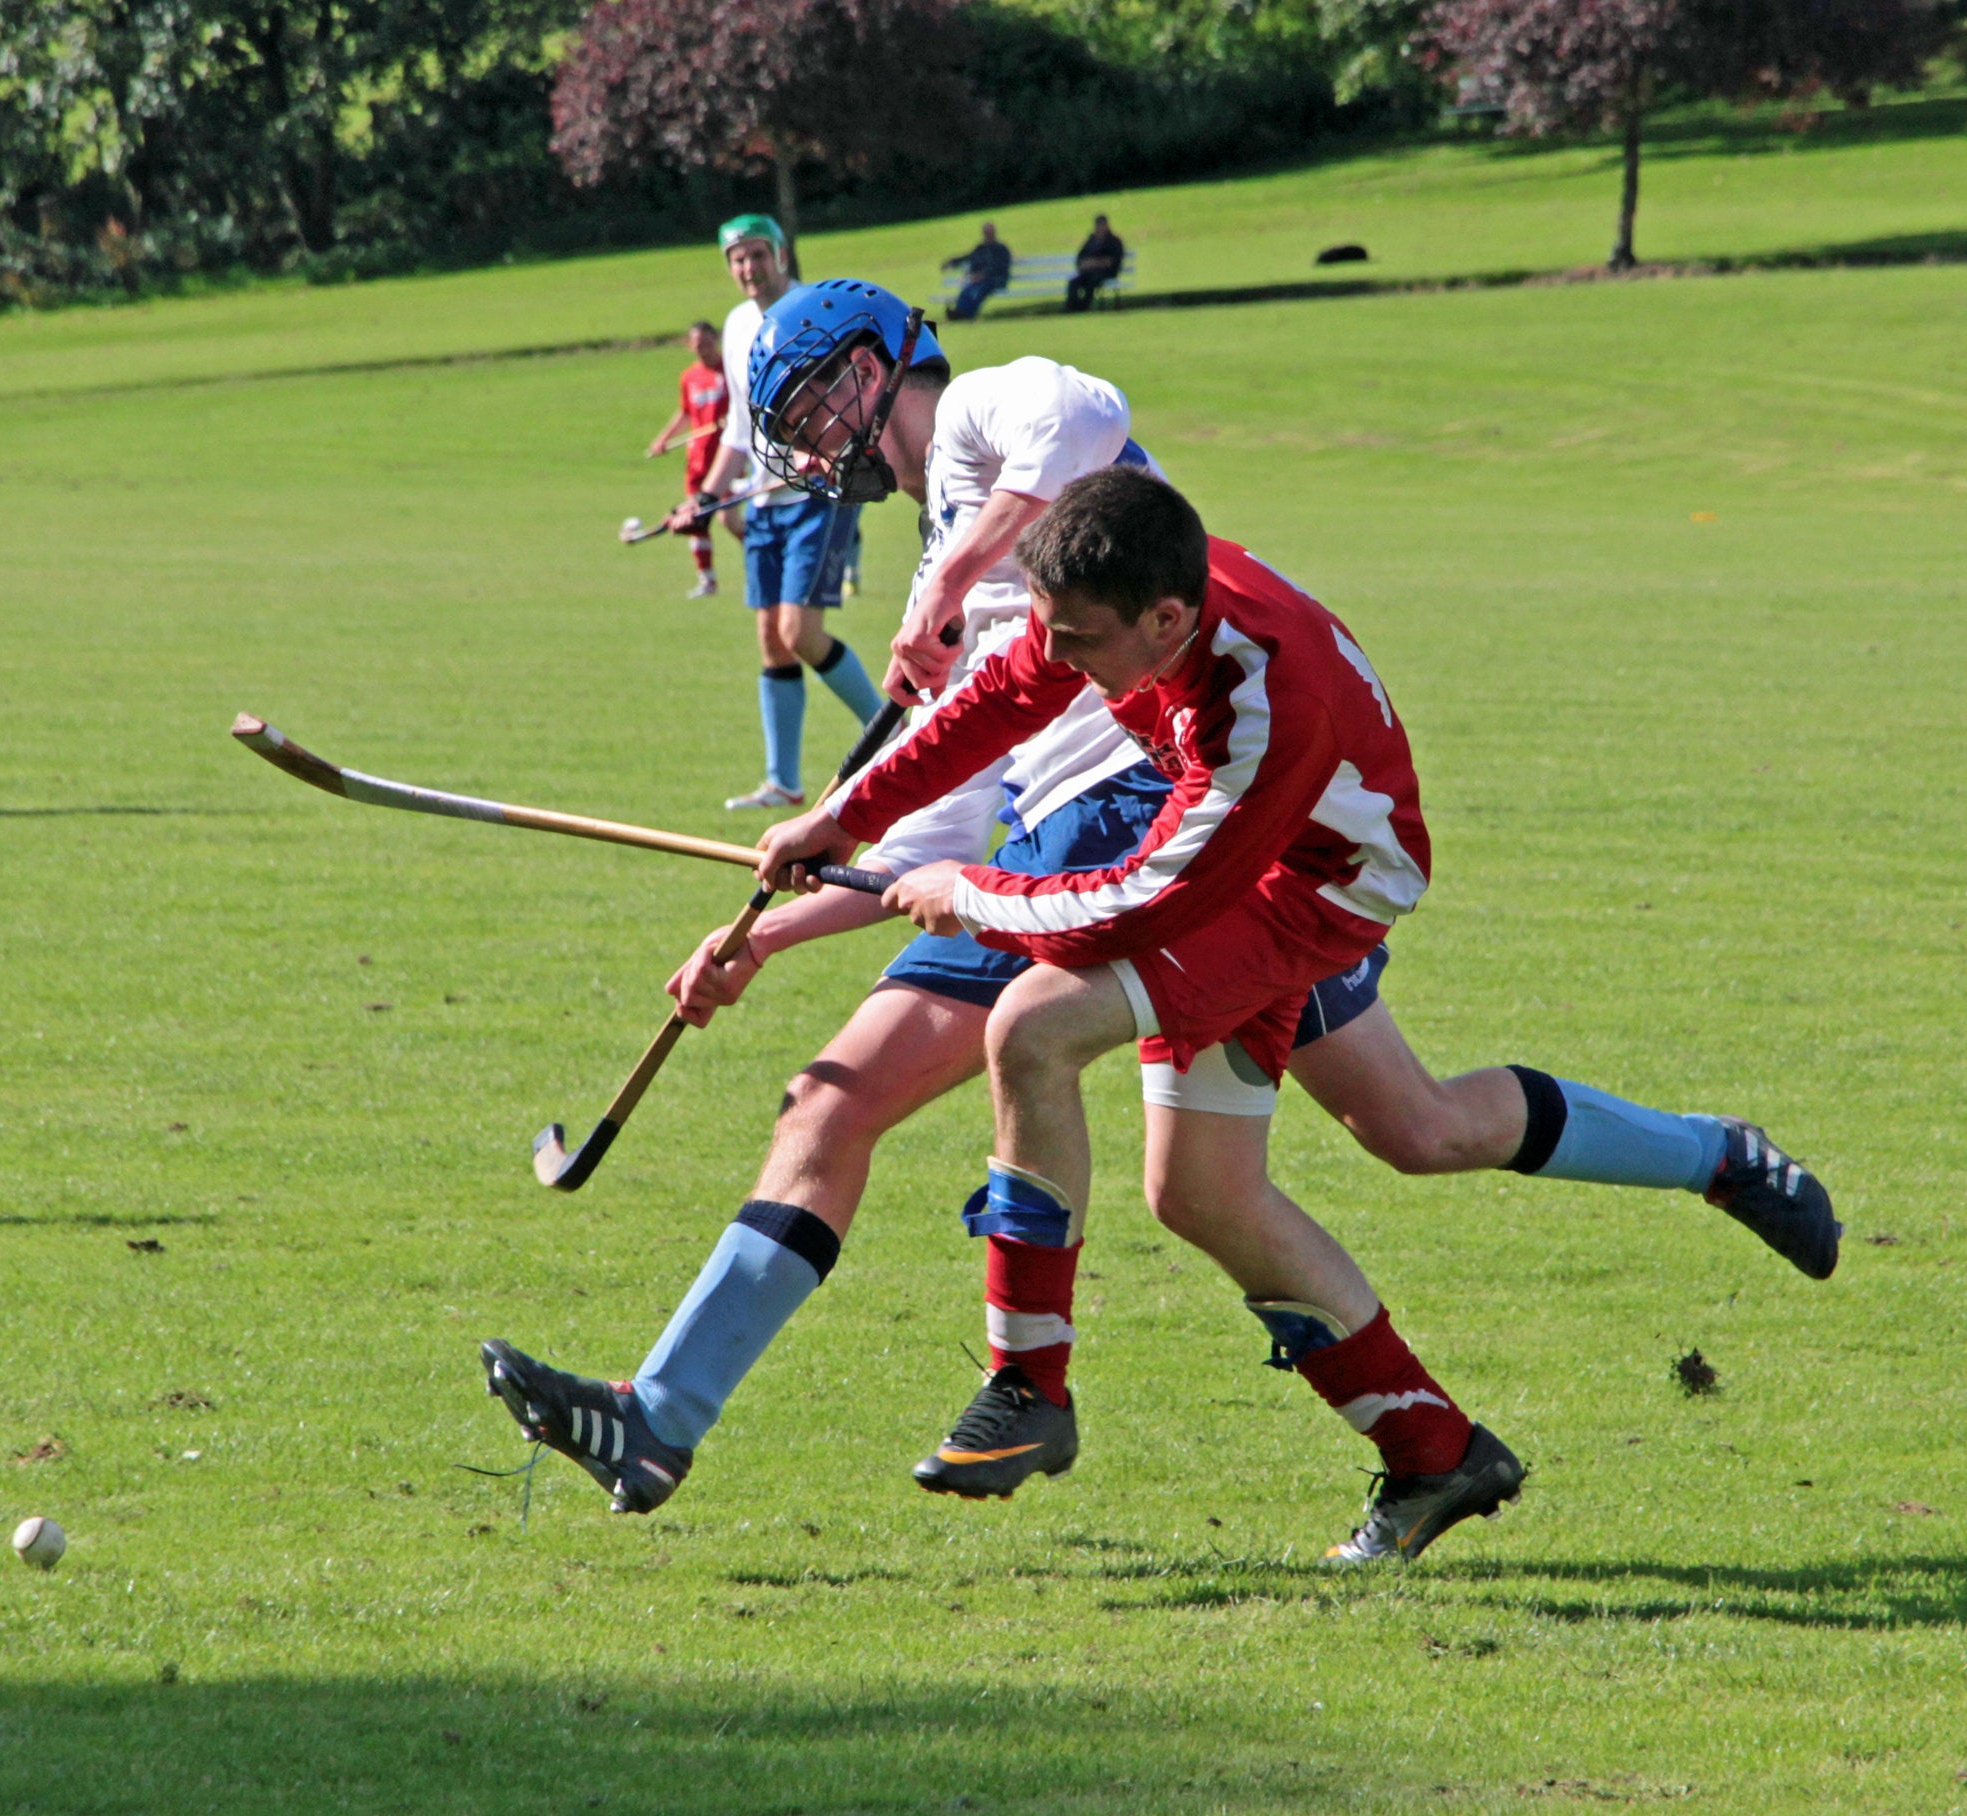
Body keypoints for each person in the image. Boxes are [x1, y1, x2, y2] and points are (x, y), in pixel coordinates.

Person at [478, 285, 1835, 1559]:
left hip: (1193, 844)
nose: (825, 434)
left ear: (881, 359)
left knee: (965, 1058)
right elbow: (966, 776)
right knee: (1371, 1140)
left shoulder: (993, 427)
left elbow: (1081, 431)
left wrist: (968, 586)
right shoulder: (1000, 598)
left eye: (828, 397)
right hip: (1114, 840)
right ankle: (1500, 1380)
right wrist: (791, 896)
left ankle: (951, 1389)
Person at [667, 216, 884, 809]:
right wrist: (707, 498)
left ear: (781, 254)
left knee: (799, 632)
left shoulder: (814, 310)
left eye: (758, 254)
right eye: (737, 258)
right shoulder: (737, 325)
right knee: (772, 640)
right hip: (764, 502)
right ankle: (783, 782)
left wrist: (827, 455)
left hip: (817, 496)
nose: (748, 267)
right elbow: (739, 428)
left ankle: (893, 738)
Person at [646, 321, 732, 597]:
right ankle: (707, 580)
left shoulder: (729, 370)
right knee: (694, 520)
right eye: (696, 344)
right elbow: (685, 413)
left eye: (706, 342)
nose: (701, 348)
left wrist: (732, 420)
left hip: (726, 458)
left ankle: (764, 565)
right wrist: (663, 438)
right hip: (697, 458)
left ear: (715, 341)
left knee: (729, 520)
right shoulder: (690, 377)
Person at [942, 222, 1012, 321]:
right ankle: (958, 312)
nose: (987, 235)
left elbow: (1001, 267)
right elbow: (969, 257)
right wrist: (952, 262)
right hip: (980, 280)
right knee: (966, 291)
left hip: (997, 280)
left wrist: (984, 275)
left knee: (977, 292)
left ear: (994, 233)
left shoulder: (1001, 248)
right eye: (985, 233)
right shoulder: (981, 248)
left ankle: (968, 315)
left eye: (989, 233)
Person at [1065, 214, 1124, 313]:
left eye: (1102, 225)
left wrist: (1095, 263)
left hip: (1106, 273)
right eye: (1098, 225)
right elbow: (1080, 257)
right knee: (1073, 282)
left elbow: (1113, 261)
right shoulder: (1091, 241)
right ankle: (1071, 307)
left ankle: (1083, 307)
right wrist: (1084, 264)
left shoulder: (1113, 241)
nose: (1100, 228)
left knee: (1091, 282)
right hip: (1088, 272)